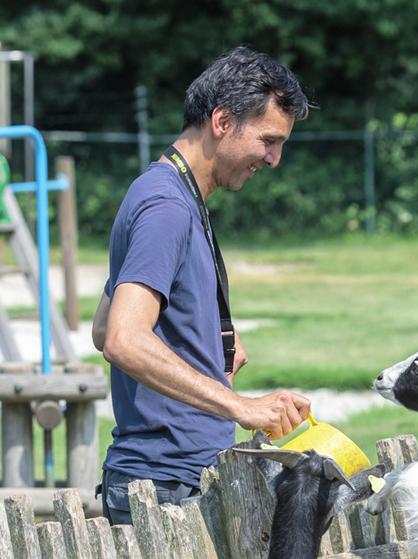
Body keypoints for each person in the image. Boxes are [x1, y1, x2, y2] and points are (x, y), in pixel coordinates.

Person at [92, 46, 312, 524]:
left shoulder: (170, 193)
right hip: (164, 490)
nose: (274, 160)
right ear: (222, 121)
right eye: (269, 140)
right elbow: (122, 339)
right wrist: (239, 406)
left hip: (175, 480)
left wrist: (209, 343)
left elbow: (103, 325)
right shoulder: (166, 205)